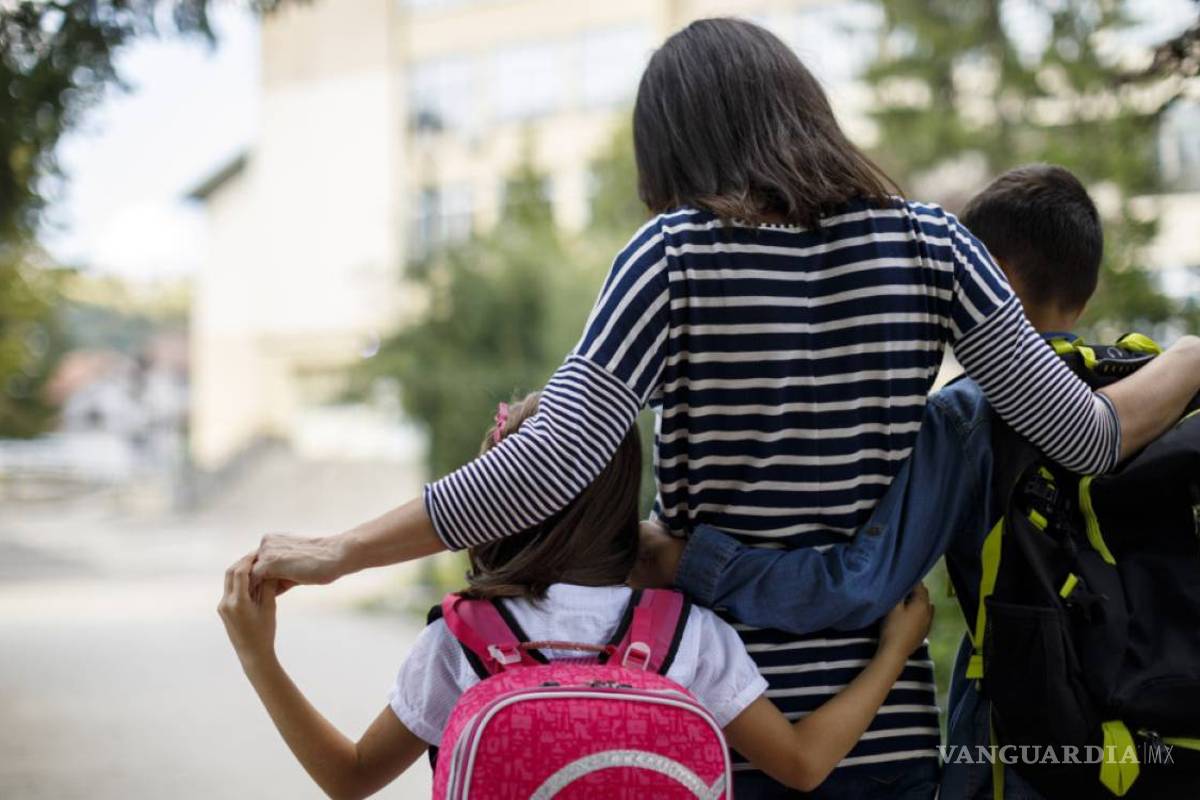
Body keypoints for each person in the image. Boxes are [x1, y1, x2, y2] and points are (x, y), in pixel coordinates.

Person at [247, 19, 1200, 796]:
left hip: (710, 726)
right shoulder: (933, 246)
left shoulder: (672, 256)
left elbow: (543, 466)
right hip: (887, 729)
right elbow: (1087, 434)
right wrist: (1192, 356)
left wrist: (339, 551)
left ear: (673, 146)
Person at [632, 164, 1146, 798]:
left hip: (1016, 750)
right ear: (1085, 293)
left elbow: (858, 582)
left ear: (991, 278)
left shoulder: (967, 419)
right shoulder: (1142, 393)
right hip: (1146, 738)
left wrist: (689, 561)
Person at [219, 392, 936, 798]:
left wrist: (259, 656)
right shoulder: (686, 633)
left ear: (494, 499)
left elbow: (348, 781)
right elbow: (804, 764)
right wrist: (893, 652)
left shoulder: (462, 639)